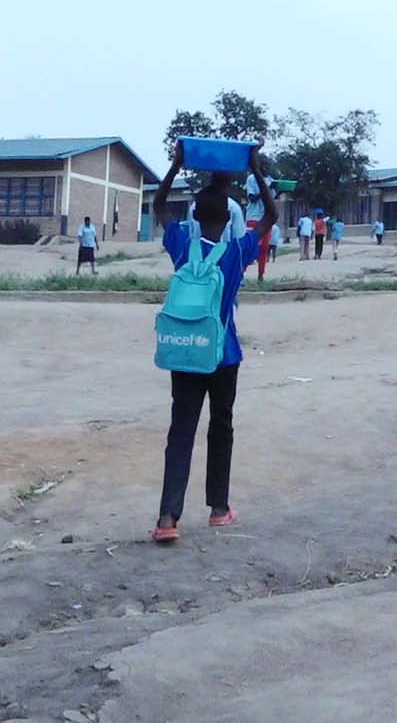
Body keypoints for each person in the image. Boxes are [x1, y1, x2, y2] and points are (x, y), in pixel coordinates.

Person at [149, 141, 278, 544]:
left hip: (185, 352)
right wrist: (255, 169)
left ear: (195, 216)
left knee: (181, 430)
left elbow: (159, 206)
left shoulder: (181, 247)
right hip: (224, 356)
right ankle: (219, 510)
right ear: (228, 219)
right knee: (221, 427)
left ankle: (168, 518)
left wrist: (175, 166)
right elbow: (271, 215)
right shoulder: (237, 252)